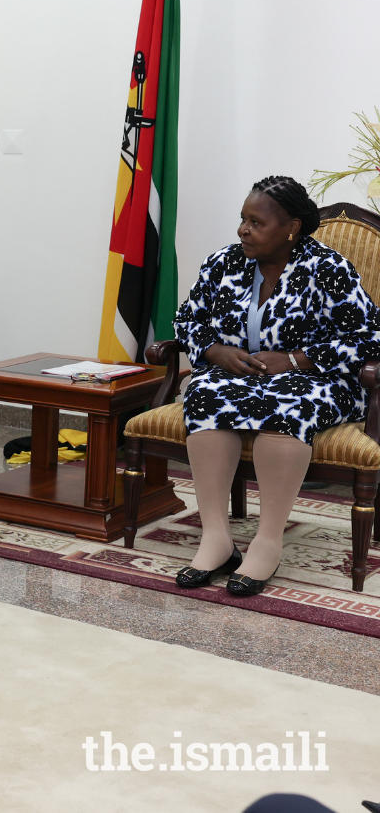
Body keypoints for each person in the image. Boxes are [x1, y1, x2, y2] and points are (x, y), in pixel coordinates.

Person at [173, 176, 380, 596]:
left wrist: (293, 360)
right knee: (204, 396)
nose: (243, 230)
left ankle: (268, 542)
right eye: (242, 220)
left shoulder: (328, 268)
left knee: (285, 408)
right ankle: (216, 537)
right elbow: (186, 321)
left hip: (316, 380)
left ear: (291, 227)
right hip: (239, 376)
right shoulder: (223, 263)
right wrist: (215, 352)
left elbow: (367, 338)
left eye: (255, 222)